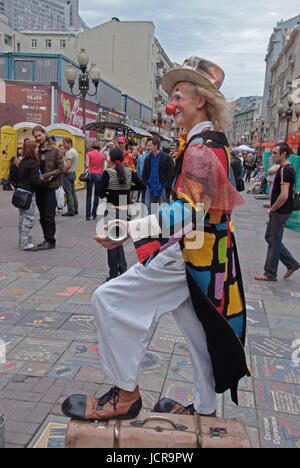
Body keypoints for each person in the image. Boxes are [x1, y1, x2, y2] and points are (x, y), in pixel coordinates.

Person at [62, 56, 250, 422]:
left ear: (200, 102)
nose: (172, 104)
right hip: (207, 256)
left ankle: (125, 393)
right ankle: (206, 409)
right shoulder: (213, 143)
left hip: (190, 254)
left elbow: (190, 211)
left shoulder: (199, 149)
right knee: (198, 332)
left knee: (109, 300)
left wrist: (130, 228)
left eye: (179, 95)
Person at [97, 147, 145, 281]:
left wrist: (108, 191)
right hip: (126, 210)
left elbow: (100, 193)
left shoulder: (108, 172)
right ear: (123, 158)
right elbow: (142, 186)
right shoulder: (129, 171)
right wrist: (129, 187)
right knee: (119, 240)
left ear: (110, 159)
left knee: (111, 242)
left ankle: (113, 274)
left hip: (112, 208)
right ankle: (123, 270)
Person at [255, 143, 300, 281]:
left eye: (275, 153)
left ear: (284, 154)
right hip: (281, 210)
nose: (273, 156)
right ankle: (291, 263)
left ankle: (270, 273)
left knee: (273, 240)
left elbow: (284, 195)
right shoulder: (284, 168)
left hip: (280, 211)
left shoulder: (285, 170)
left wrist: (273, 208)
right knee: (271, 237)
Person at [32, 125, 64, 250]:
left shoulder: (55, 151)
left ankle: (51, 240)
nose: (38, 138)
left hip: (50, 186)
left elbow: (61, 169)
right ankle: (46, 237)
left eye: (39, 135)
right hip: (39, 187)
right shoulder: (37, 151)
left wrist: (46, 176)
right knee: (42, 215)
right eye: (35, 137)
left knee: (49, 214)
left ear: (45, 133)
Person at [17, 141, 46, 251]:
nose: (37, 150)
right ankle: (26, 243)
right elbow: (35, 182)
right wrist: (44, 181)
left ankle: (21, 240)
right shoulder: (33, 163)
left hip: (20, 192)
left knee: (21, 217)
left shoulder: (22, 161)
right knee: (29, 218)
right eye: (36, 148)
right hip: (29, 193)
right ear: (32, 149)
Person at [142, 136, 174, 214]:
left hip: (162, 188)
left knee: (163, 210)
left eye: (150, 145)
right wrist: (146, 183)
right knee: (148, 210)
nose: (147, 148)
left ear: (156, 146)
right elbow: (144, 173)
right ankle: (150, 224)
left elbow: (171, 173)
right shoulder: (147, 158)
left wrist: (166, 185)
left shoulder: (166, 158)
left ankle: (162, 225)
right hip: (150, 188)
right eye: (147, 145)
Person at [85, 141, 105, 221]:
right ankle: (94, 214)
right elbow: (102, 168)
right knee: (96, 195)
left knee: (89, 195)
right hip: (99, 175)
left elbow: (87, 165)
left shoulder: (89, 154)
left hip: (90, 174)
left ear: (92, 146)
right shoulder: (102, 156)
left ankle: (87, 215)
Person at [62, 137, 79, 217]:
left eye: (65, 143)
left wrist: (62, 172)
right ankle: (75, 208)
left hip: (68, 174)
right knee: (73, 192)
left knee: (68, 193)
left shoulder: (70, 153)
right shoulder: (75, 151)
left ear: (69, 143)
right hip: (73, 173)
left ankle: (70, 210)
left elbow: (68, 165)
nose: (64, 145)